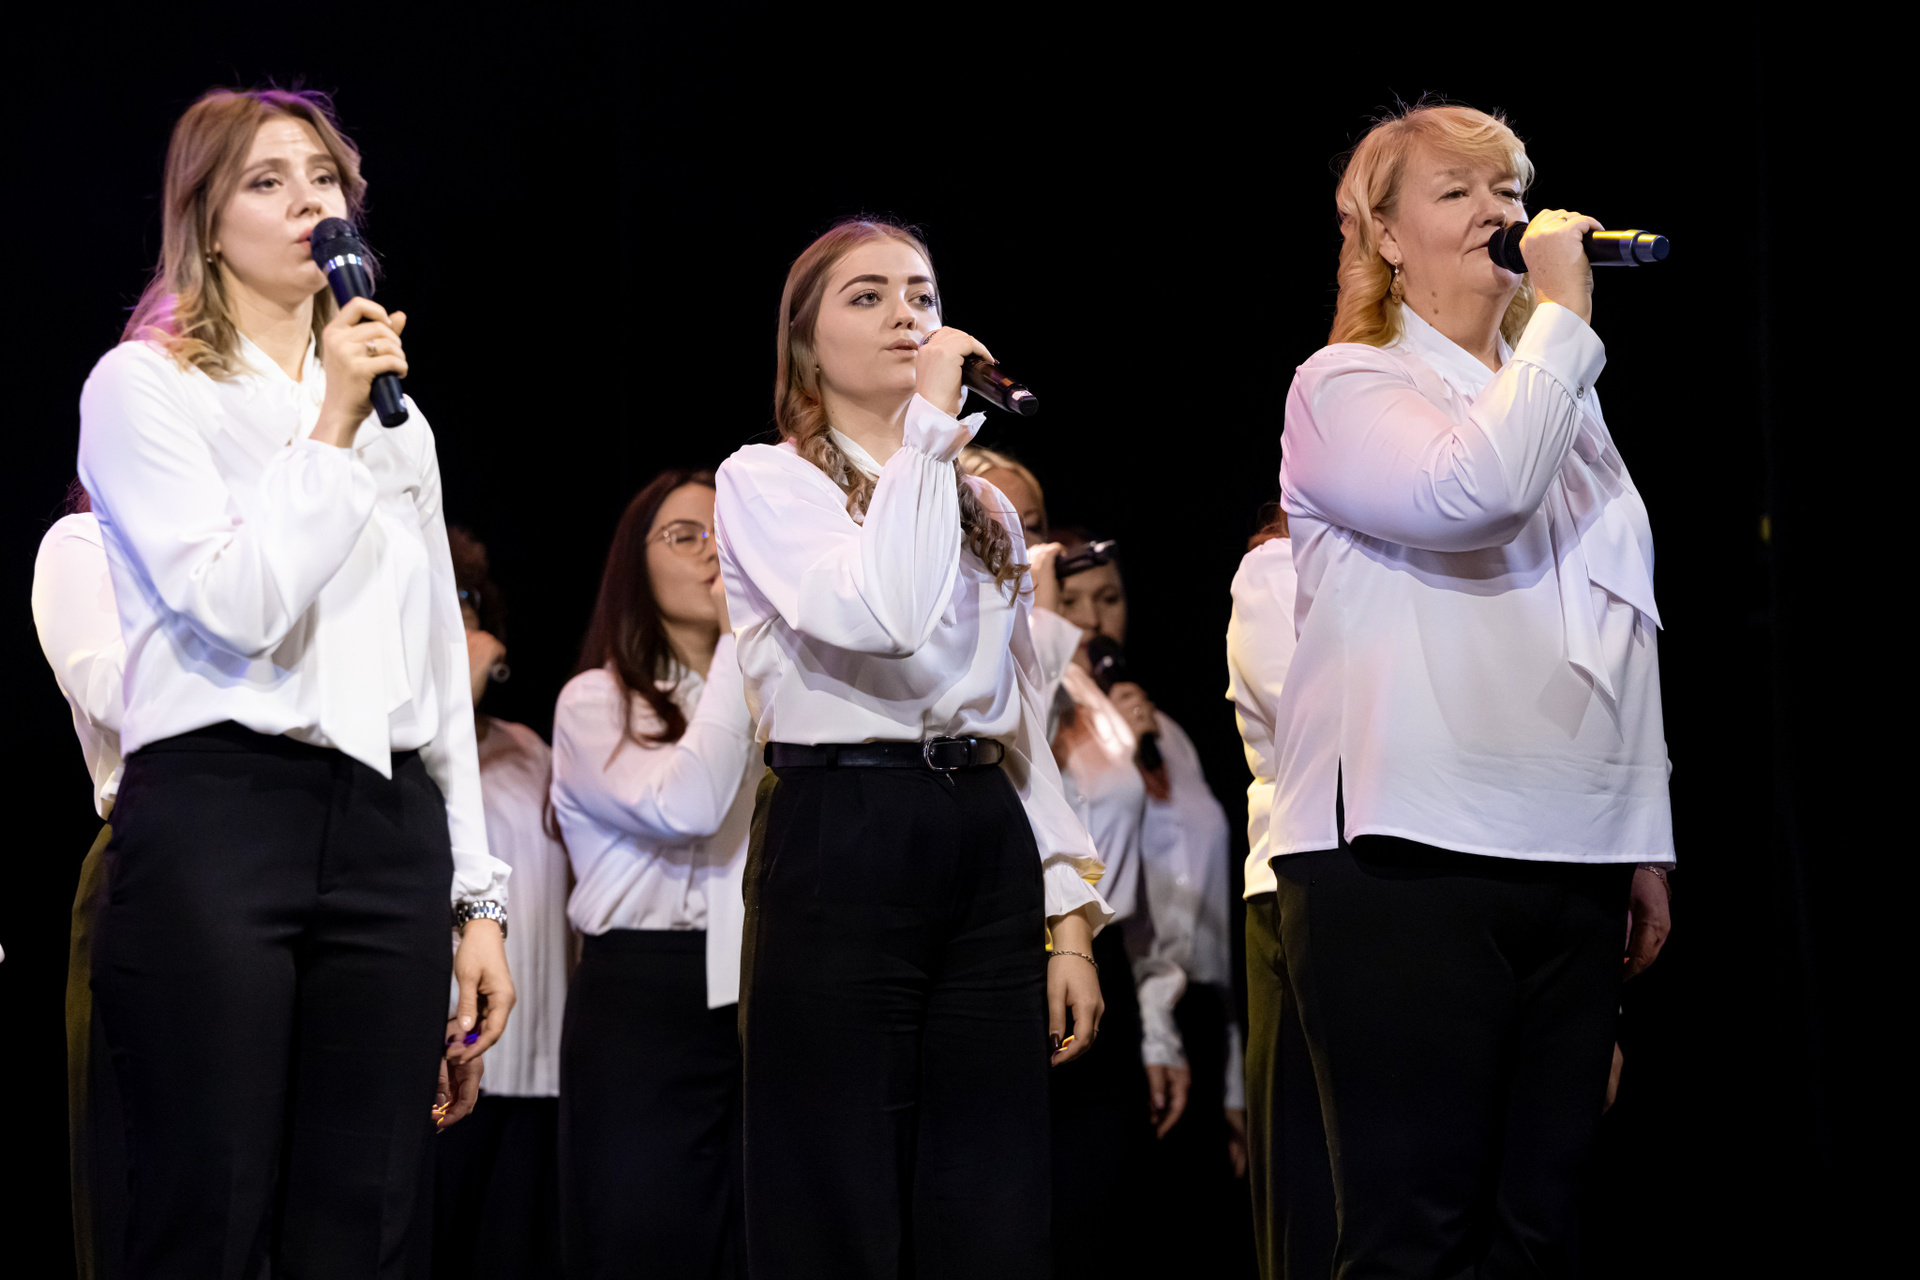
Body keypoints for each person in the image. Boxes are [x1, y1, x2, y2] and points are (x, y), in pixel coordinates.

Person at [74, 87, 512, 1276]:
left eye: (324, 179)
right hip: (221, 811)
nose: (307, 202)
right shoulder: (144, 386)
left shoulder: (398, 417)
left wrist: (476, 899)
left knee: (369, 1211)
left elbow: (434, 661)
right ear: (205, 221)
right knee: (208, 1202)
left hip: (385, 818)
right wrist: (329, 425)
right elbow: (236, 604)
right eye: (266, 181)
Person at [1260, 102, 1675, 1276]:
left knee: (1536, 1232)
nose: (1501, 213)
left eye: (1511, 190)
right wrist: (1563, 323)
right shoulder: (1345, 383)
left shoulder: (1563, 405)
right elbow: (1471, 496)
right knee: (1414, 1234)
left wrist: (1642, 834)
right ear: (1385, 236)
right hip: (1408, 852)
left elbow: (1622, 621)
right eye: (1459, 192)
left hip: (1573, 847)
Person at [713, 218, 1109, 1280]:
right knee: (836, 1179)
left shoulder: (986, 506)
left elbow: (1017, 716)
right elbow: (879, 614)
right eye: (870, 295)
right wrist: (930, 435)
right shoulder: (765, 481)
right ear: (807, 342)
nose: (908, 317)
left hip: (977, 823)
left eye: (923, 296)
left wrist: (1068, 916)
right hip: (842, 824)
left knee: (990, 1183)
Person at [551, 469, 758, 1278]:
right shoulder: (594, 702)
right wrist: (740, 641)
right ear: (633, 566)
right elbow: (689, 804)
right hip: (641, 993)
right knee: (646, 1235)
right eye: (685, 535)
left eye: (725, 534)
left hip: (754, 985)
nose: (713, 552)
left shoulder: (777, 697)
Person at [432, 530, 571, 1278]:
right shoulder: (413, 760)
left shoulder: (529, 748)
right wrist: (459, 682)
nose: (465, 621)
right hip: (452, 1061)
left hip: (540, 1063)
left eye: (471, 605)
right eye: (446, 606)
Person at [1226, 509, 1336, 1280]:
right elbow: (1322, 733)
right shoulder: (1277, 569)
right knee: (1312, 1189)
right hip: (1302, 885)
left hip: (1415, 895)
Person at [32, 482, 129, 1280]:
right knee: (136, 1182)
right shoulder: (85, 543)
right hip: (149, 848)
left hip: (295, 853)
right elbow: (121, 697)